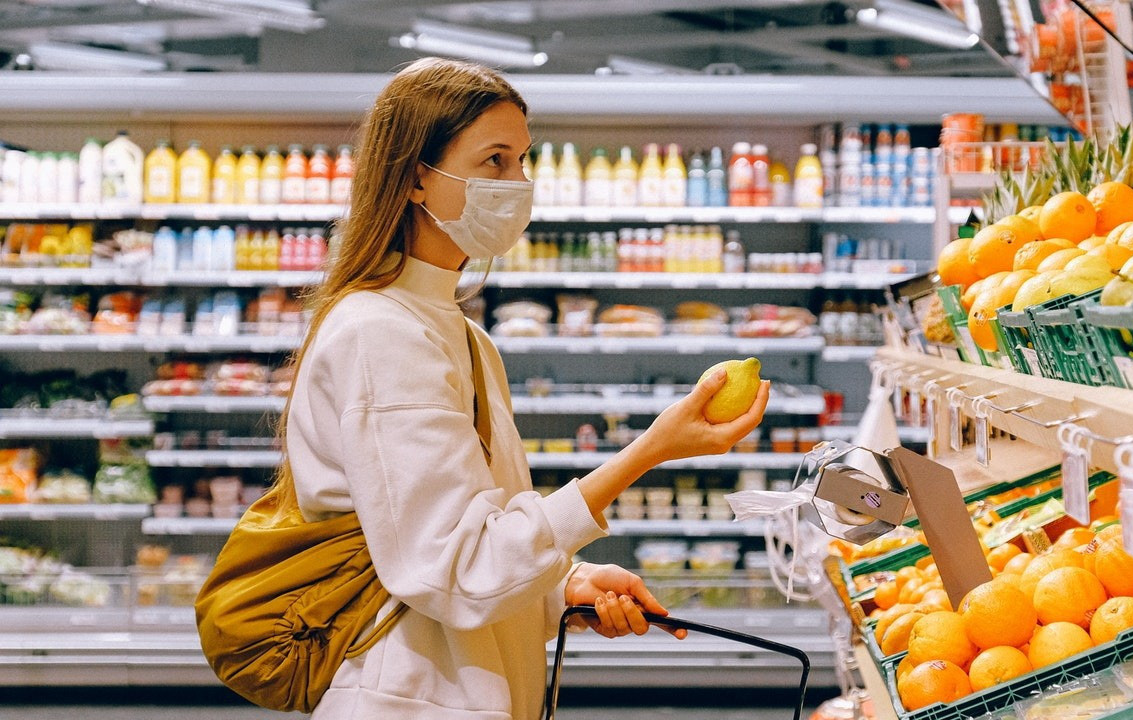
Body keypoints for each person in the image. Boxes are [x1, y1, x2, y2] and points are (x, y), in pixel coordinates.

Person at [276, 57, 770, 719]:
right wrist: (647, 452)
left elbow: (476, 533)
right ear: (418, 178)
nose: (518, 184)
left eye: (523, 161)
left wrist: (563, 586)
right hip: (410, 699)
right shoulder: (380, 334)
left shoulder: (461, 335)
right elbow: (455, 568)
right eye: (495, 161)